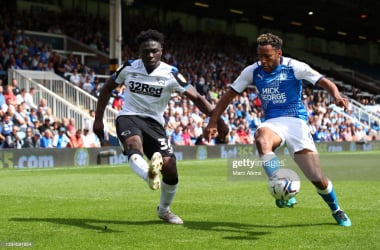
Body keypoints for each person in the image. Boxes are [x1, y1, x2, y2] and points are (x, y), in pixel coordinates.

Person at [204, 33, 351, 227]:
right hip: (273, 122)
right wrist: (213, 121)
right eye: (260, 56)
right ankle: (281, 185)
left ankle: (336, 209)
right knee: (261, 140)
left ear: (279, 53)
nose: (262, 60)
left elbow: (324, 81)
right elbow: (228, 96)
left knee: (317, 179)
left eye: (267, 56)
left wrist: (336, 96)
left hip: (296, 122)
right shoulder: (252, 71)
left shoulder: (294, 67)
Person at [93, 29, 228, 225]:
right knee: (133, 146)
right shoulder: (129, 67)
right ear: (139, 51)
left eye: (154, 51)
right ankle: (149, 176)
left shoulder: (170, 73)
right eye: (146, 51)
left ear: (161, 51)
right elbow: (106, 89)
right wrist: (98, 120)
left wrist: (219, 121)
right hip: (129, 116)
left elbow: (197, 98)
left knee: (171, 168)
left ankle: (164, 210)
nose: (150, 55)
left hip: (154, 123)